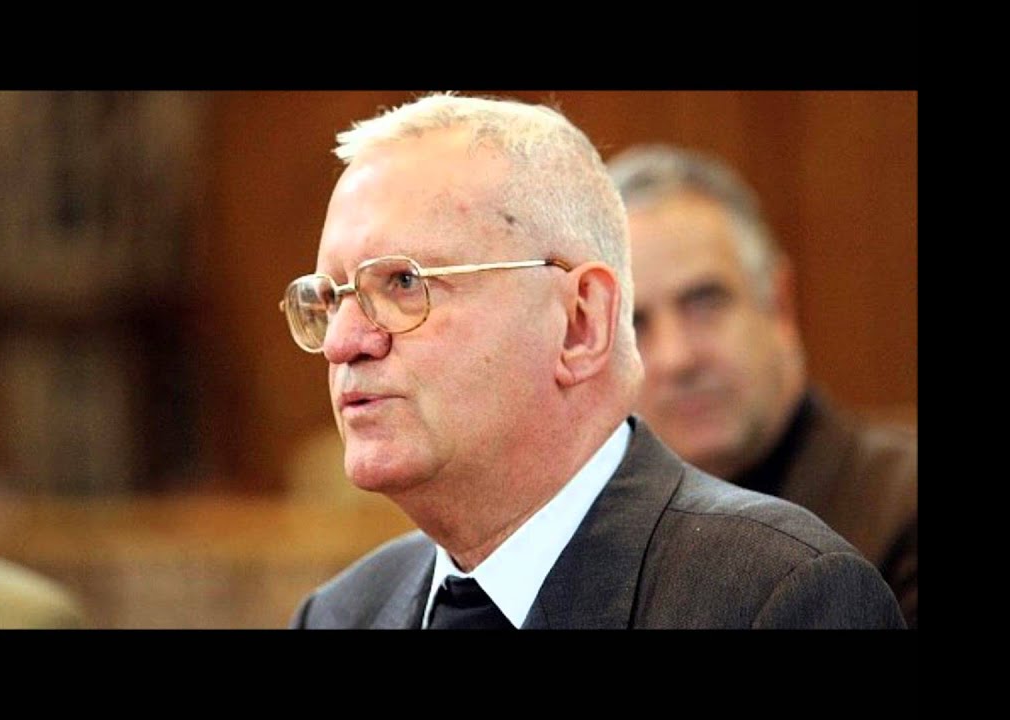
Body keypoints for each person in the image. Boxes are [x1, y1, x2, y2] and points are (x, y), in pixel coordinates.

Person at [283, 93, 904, 629]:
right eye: (330, 297)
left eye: (404, 283)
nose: (342, 342)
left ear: (580, 324)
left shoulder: (774, 596)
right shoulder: (340, 614)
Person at [605, 143, 917, 627]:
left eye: (704, 302)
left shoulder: (901, 506)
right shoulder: (602, 548)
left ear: (779, 303)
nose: (677, 358)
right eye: (635, 324)